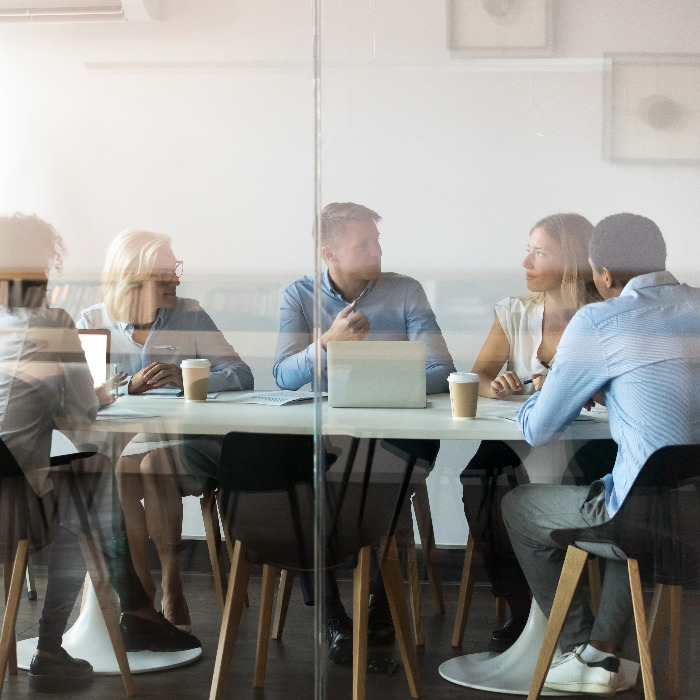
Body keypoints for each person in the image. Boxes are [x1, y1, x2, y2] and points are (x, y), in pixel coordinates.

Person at [0, 214, 200, 693]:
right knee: (92, 493)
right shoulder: (51, 322)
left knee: (92, 476)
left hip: (4, 489)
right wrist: (102, 395)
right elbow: (79, 416)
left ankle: (132, 606)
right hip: (17, 499)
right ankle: (54, 643)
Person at [502, 213, 700, 695]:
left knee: (518, 507)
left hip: (641, 514)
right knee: (628, 494)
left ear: (605, 275)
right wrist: (613, 389)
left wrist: (549, 389)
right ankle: (604, 654)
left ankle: (576, 651)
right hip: (690, 508)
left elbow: (540, 429)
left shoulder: (601, 318)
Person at [273, 202, 455, 664]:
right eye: (364, 244)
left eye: (377, 241)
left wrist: (372, 373)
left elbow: (442, 370)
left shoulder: (405, 291)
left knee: (374, 477)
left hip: (399, 433)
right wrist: (329, 343)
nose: (377, 250)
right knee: (304, 483)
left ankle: (381, 602)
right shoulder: (298, 295)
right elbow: (283, 376)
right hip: (332, 435)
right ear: (329, 251)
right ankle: (332, 613)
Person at [78, 228, 253, 632]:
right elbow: (81, 396)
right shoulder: (92, 321)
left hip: (187, 442)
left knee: (152, 463)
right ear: (132, 279)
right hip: (123, 444)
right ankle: (140, 590)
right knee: (126, 467)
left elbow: (241, 374)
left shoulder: (190, 314)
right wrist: (125, 387)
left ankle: (171, 586)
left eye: (175, 270)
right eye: (164, 274)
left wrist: (190, 377)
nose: (176, 280)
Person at [461, 213, 604, 651]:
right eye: (529, 249)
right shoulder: (515, 312)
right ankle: (525, 609)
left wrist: (575, 390)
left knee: (558, 494)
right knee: (479, 483)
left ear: (574, 259)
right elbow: (479, 375)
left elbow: (614, 392)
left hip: (587, 444)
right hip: (517, 436)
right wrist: (498, 384)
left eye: (540, 252)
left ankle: (568, 613)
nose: (527, 261)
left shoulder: (604, 316)